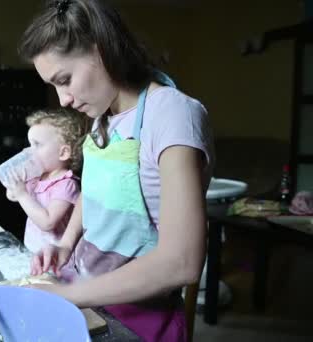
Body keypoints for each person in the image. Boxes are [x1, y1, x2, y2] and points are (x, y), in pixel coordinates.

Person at [19, 0, 215, 341]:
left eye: (64, 80)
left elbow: (181, 261)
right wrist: (66, 245)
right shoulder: (102, 118)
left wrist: (65, 297)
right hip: (93, 299)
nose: (63, 99)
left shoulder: (172, 114)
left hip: (143, 321)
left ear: (102, 50)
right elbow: (95, 190)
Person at [6, 108, 88, 254]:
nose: (29, 151)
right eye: (30, 144)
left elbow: (48, 222)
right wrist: (15, 185)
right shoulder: (36, 176)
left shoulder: (66, 184)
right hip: (32, 250)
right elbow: (12, 196)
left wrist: (22, 194)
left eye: (37, 145)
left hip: (56, 258)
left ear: (63, 153)